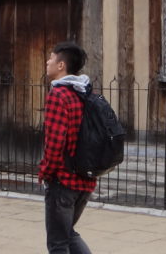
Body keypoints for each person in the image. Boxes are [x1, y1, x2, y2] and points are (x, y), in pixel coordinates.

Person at [38, 41, 97, 254]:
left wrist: (45, 172)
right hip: (85, 179)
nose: (47, 61)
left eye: (51, 57)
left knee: (57, 243)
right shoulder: (84, 94)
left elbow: (54, 143)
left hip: (62, 181)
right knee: (67, 234)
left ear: (61, 65)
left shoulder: (58, 95)